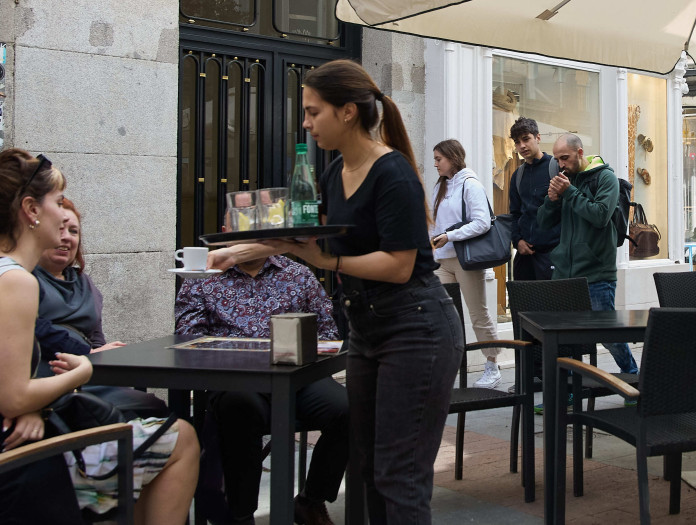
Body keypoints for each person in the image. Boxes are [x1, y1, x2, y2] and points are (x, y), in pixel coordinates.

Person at [206, 59, 463, 524]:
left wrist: (328, 262)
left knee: (399, 474)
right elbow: (310, 234)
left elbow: (401, 265)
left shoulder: (393, 173)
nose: (305, 122)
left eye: (312, 111)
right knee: (367, 468)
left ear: (347, 112)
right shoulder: (332, 174)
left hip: (416, 327)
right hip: (366, 330)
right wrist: (242, 248)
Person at [0, 148, 198, 524]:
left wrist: (34, 406)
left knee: (152, 438)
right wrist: (83, 370)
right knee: (182, 438)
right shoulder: (15, 283)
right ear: (31, 210)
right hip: (5, 473)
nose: (64, 213)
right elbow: (13, 397)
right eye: (57, 201)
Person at [174, 255, 347, 525]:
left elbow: (327, 333)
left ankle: (311, 499)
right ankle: (241, 515)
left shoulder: (298, 274)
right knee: (238, 407)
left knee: (348, 409)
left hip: (296, 379)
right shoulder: (202, 278)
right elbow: (187, 339)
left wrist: (299, 349)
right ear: (225, 233)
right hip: (236, 380)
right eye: (239, 222)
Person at [33, 197, 169, 418]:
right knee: (146, 411)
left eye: (74, 231)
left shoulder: (84, 283)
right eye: (59, 229)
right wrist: (89, 354)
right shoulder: (25, 279)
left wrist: (104, 356)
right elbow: (34, 332)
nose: (66, 237)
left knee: (154, 406)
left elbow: (95, 336)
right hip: (49, 379)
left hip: (88, 376)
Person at [539, 133, 639, 375]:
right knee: (561, 338)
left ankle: (633, 377)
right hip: (564, 275)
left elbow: (600, 215)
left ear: (580, 153)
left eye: (565, 157)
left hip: (597, 274)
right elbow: (542, 225)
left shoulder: (606, 178)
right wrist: (552, 200)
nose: (560, 164)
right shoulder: (565, 180)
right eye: (557, 159)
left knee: (608, 336)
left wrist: (569, 193)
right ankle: (566, 392)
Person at [427, 139, 501, 388]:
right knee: (444, 315)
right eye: (435, 159)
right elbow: (435, 223)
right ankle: (448, 366)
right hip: (442, 261)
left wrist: (451, 235)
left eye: (439, 159)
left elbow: (482, 222)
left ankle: (492, 366)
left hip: (465, 259)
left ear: (453, 158)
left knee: (478, 312)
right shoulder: (441, 187)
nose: (435, 163)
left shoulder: (471, 185)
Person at [507, 117, 561, 281]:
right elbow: (515, 213)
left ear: (538, 137)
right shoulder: (518, 175)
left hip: (551, 254)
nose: (522, 146)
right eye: (517, 142)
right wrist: (518, 241)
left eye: (526, 139)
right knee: (522, 305)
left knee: (550, 306)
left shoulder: (556, 167)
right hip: (524, 256)